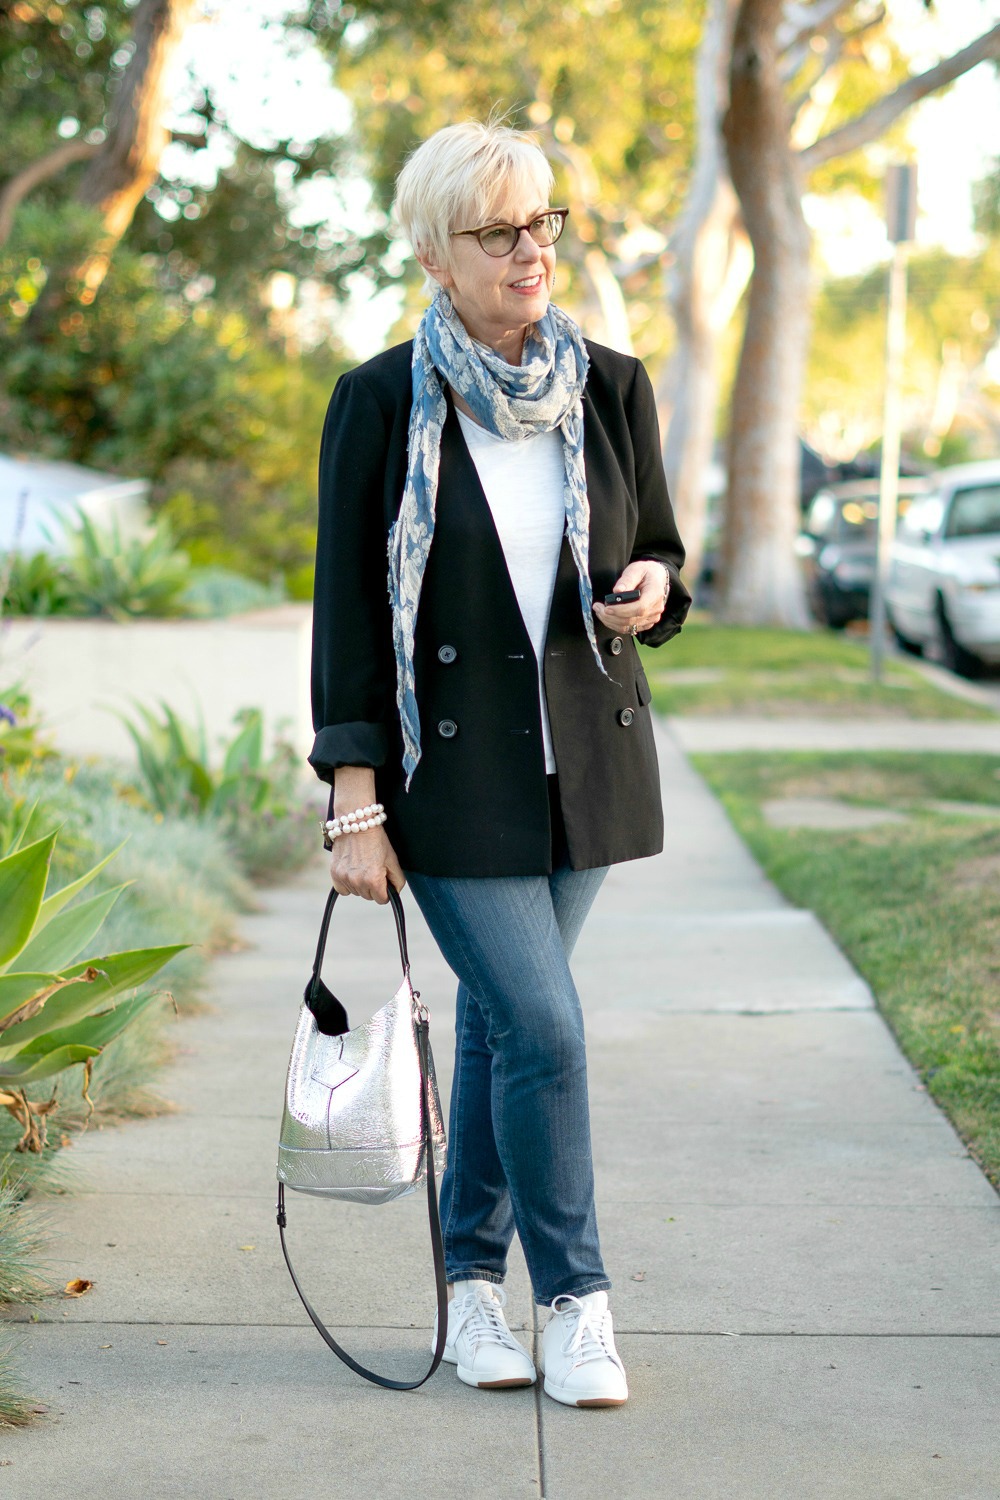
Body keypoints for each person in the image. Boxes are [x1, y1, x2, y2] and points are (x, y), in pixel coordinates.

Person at [309, 118, 690, 1409]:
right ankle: (575, 1301)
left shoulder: (611, 384)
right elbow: (350, 613)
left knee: (508, 1034)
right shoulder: (375, 402)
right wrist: (353, 799)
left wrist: (652, 587)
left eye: (544, 223)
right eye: (498, 231)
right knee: (544, 1025)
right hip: (449, 779)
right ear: (434, 254)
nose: (532, 251)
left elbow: (663, 553)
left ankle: (472, 1290)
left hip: (584, 766)